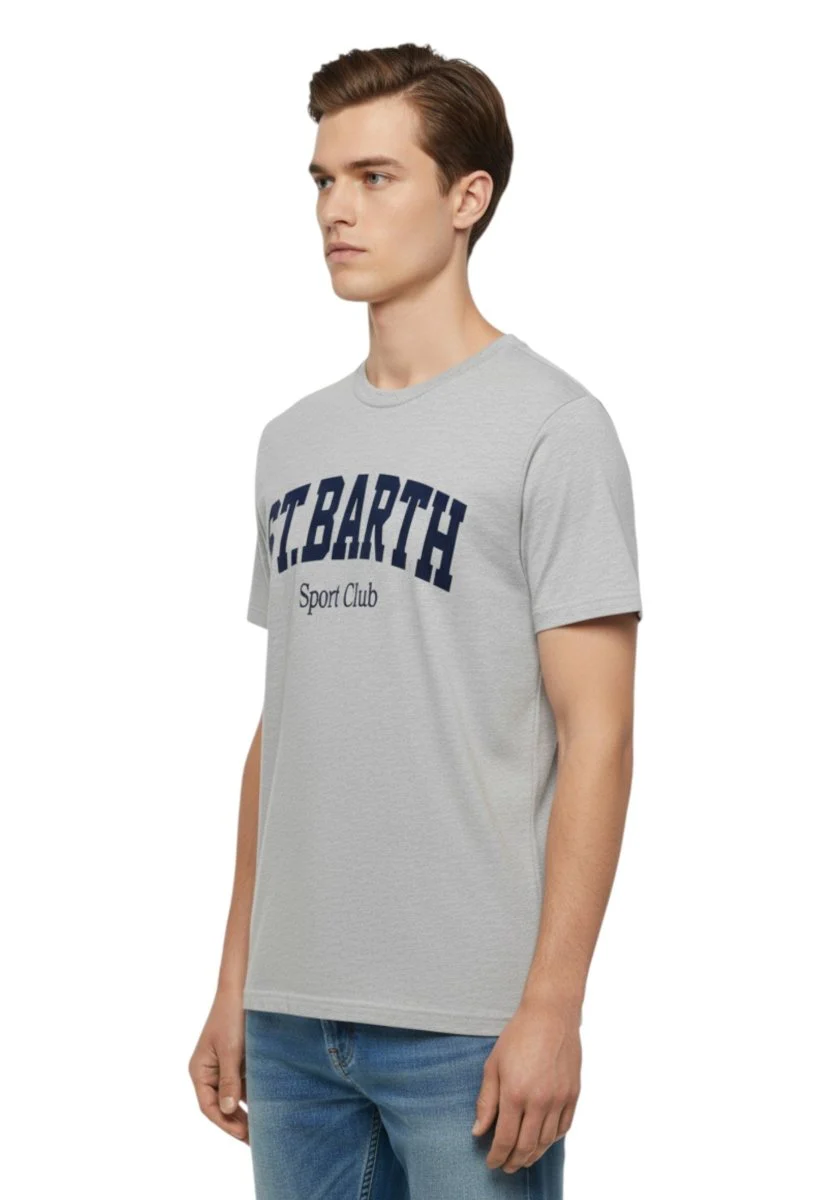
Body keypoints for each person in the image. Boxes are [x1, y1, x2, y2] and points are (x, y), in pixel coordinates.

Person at [188, 41, 643, 1200]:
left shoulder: (553, 429)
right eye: (322, 180)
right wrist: (237, 980)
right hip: (291, 1022)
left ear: (467, 197)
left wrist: (553, 1007)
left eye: (375, 177)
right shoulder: (291, 443)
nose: (335, 210)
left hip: (468, 1027)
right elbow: (284, 727)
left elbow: (596, 733)